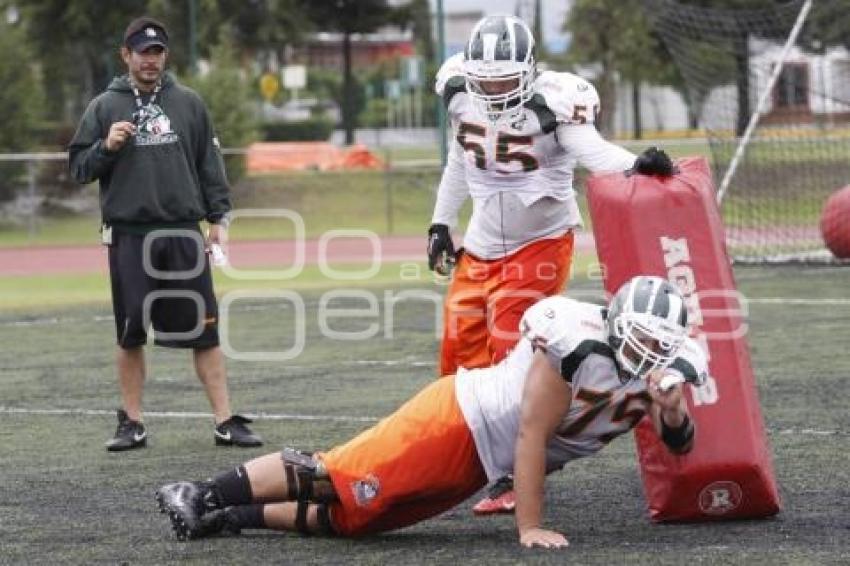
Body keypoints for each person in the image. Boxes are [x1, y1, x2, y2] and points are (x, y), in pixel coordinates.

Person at [155, 276, 707, 549]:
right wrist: (530, 526)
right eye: (635, 340)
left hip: (478, 460)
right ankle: (202, 492)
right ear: (614, 322)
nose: (642, 355)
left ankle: (227, 519)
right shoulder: (575, 343)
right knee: (336, 474)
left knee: (356, 518)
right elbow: (532, 436)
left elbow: (678, 445)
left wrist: (673, 409)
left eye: (654, 347)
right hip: (460, 420)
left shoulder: (663, 372)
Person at [425, 14, 675, 514]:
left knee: (509, 343)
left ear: (529, 71)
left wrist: (634, 165)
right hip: (480, 242)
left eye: (504, 79)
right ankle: (461, 451)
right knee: (458, 348)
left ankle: (515, 474)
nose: (494, 89)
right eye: (486, 79)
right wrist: (440, 223)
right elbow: (459, 160)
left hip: (540, 239)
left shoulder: (553, 103)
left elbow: (592, 152)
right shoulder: (458, 92)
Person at [68, 17, 261, 451]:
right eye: (142, 52)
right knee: (130, 331)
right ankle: (132, 423)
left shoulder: (189, 103)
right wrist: (106, 147)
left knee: (205, 330)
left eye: (157, 52)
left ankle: (225, 420)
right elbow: (79, 168)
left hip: (183, 233)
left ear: (164, 56)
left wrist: (219, 221)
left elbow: (210, 167)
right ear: (126, 55)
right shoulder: (104, 106)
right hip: (130, 235)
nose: (150, 60)